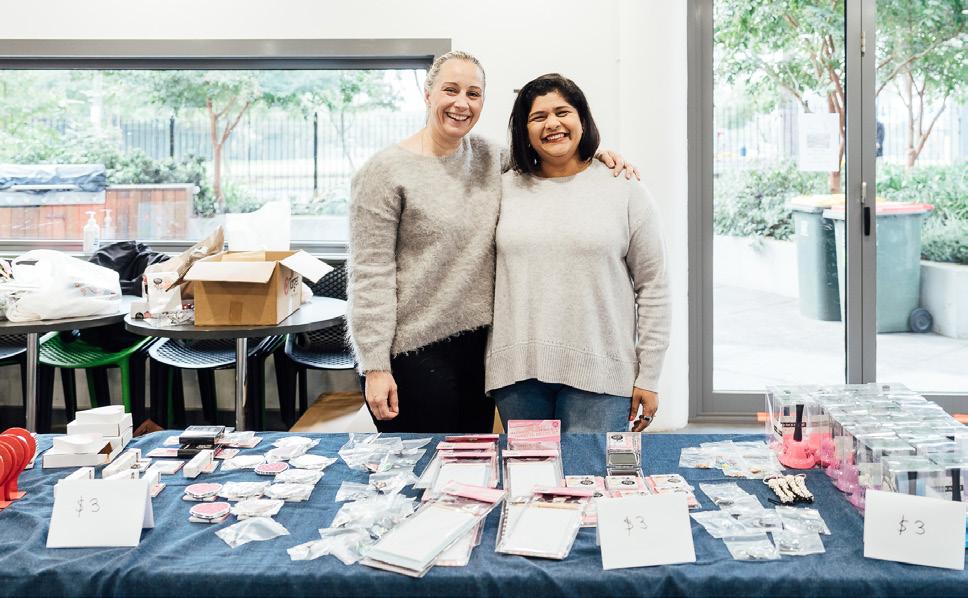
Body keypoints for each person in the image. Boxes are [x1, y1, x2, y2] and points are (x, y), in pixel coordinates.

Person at [348, 52, 636, 433]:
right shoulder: (384, 172)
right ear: (428, 94)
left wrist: (594, 156)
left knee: (473, 464)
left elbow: (549, 159)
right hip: (413, 353)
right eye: (450, 90)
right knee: (425, 463)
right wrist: (375, 366)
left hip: (480, 349)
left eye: (473, 93)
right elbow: (370, 275)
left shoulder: (491, 158)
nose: (461, 103)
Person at [485, 73, 670, 433]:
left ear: (582, 119)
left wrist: (649, 375)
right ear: (524, 130)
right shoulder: (502, 188)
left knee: (590, 470)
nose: (552, 123)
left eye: (562, 112)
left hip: (601, 375)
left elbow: (654, 287)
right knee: (530, 471)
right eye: (538, 117)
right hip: (518, 374)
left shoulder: (624, 188)